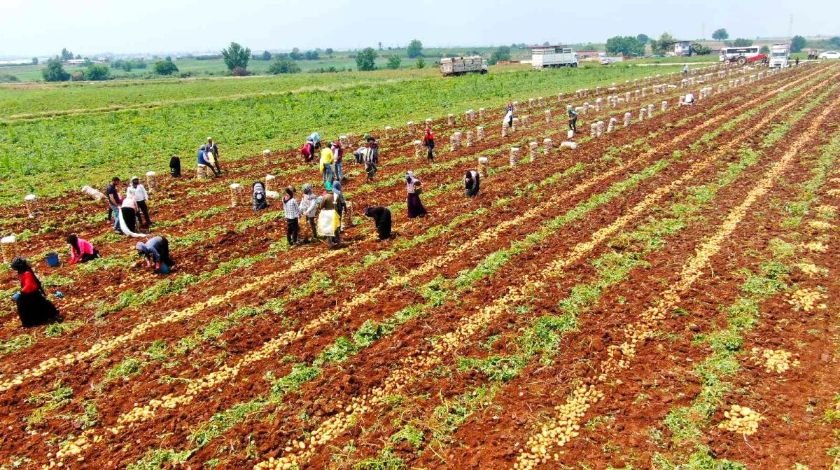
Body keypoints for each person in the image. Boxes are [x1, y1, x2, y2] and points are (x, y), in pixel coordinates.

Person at [10, 257, 61, 327]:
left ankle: (32, 322)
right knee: (39, 305)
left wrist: (20, 293)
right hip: (30, 293)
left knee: (23, 306)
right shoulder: (22, 272)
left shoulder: (27, 273)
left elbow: (29, 285)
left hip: (31, 293)